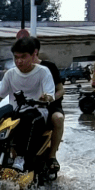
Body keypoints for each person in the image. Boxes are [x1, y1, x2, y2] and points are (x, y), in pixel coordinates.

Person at [0, 35, 55, 159]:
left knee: (27, 120)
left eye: (23, 57)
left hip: (37, 112)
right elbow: (0, 95)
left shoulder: (43, 72)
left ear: (32, 55)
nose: (19, 61)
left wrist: (44, 98)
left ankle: (22, 158)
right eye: (16, 57)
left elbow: (50, 95)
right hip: (15, 113)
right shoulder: (10, 74)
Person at [32, 37, 64, 171]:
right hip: (27, 106)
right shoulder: (17, 70)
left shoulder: (48, 67)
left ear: (34, 52)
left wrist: (50, 99)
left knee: (58, 118)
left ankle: (52, 156)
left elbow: (61, 90)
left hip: (49, 106)